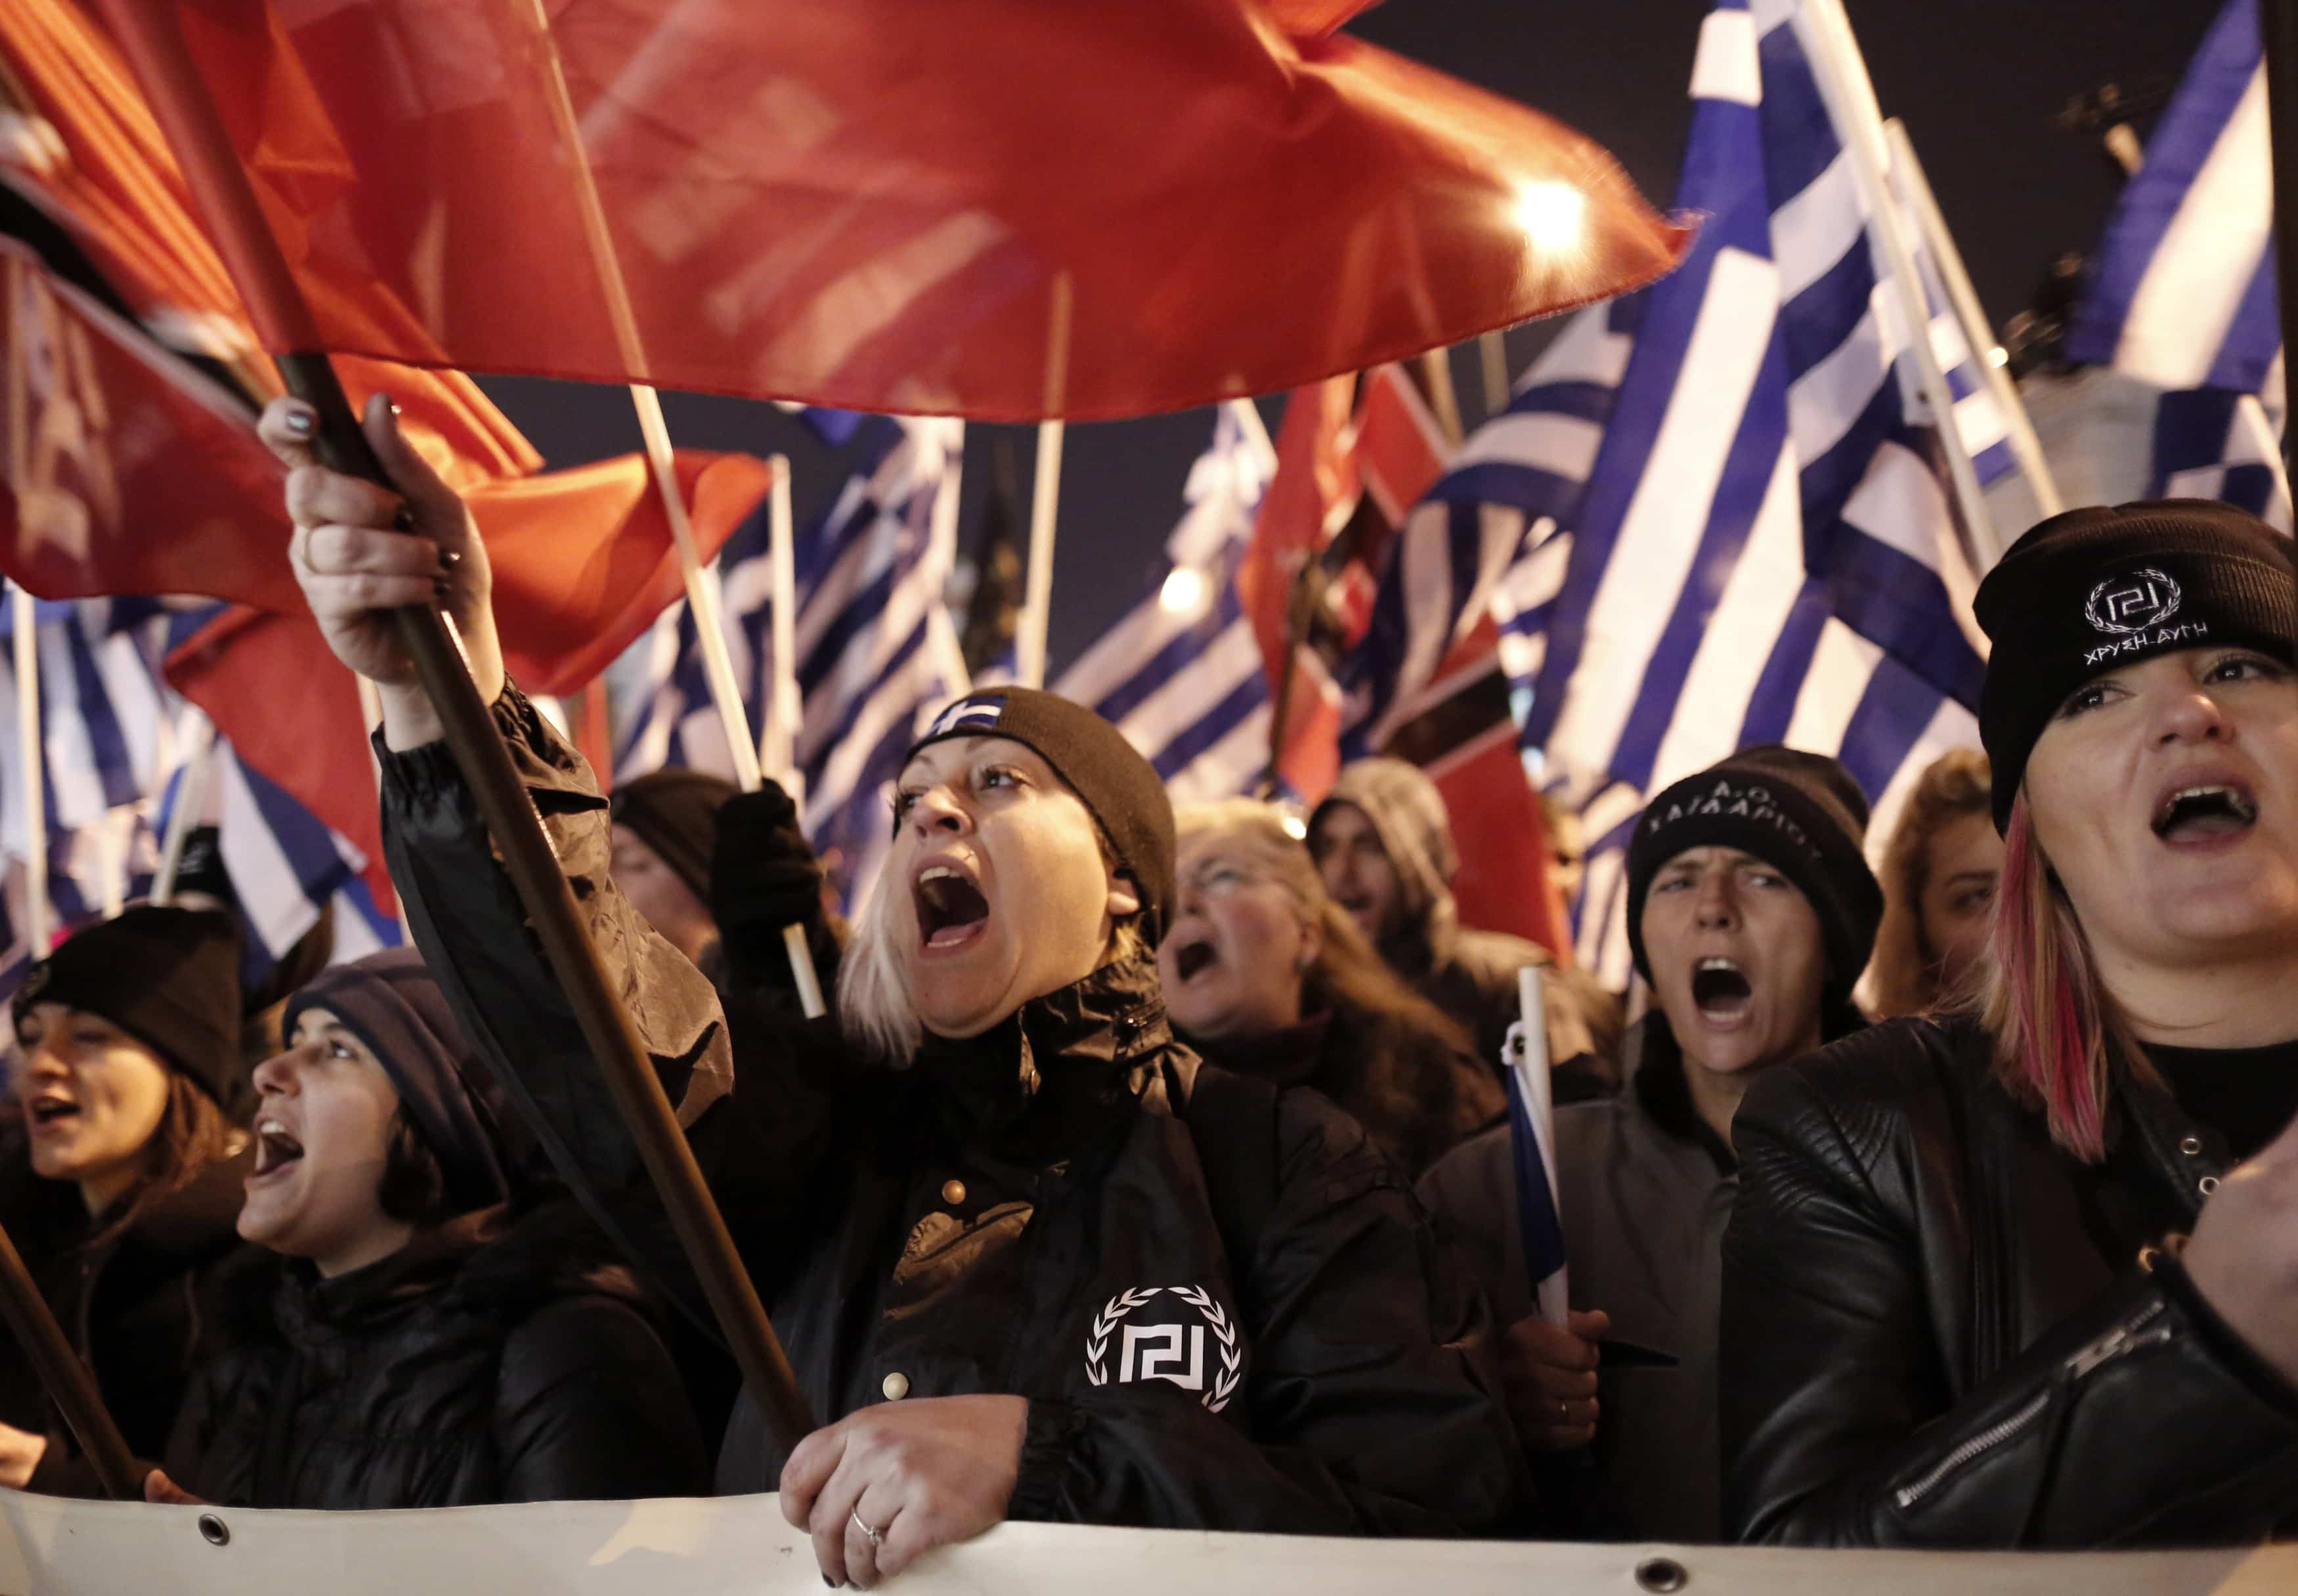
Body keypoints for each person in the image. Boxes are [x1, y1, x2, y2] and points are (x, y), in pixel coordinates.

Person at [265, 394, 1527, 1585]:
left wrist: (1044, 1463)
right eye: (914, 795)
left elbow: (1423, 1519)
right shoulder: (820, 1128)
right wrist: (441, 695)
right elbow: (588, 1016)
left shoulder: (1288, 1167)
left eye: (999, 784)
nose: (932, 808)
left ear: (1127, 887)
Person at [1722, 500, 2298, 1547]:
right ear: (2033, 828)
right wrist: (2202, 1344)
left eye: (2241, 667)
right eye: (2097, 693)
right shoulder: (1864, 1130)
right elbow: (1797, 1567)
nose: (2188, 714)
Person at [1419, 746, 1880, 1543]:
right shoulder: (1491, 1186)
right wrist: (1486, 1399)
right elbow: (1383, 1455)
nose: (1713, 906)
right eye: (1676, 880)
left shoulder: (1938, 1176)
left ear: (1832, 944)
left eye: (1763, 876)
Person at [138, 949, 709, 1509]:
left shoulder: (569, 1353)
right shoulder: (253, 1348)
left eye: (338, 1049)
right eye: (292, 1044)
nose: (267, 1072)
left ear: (438, 1124)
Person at [0, 907, 249, 1487]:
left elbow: (242, 1504)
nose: (41, 1064)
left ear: (184, 1066)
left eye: (90, 1036)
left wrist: (43, 1473)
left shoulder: (255, 1260)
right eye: (30, 1036)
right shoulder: (23, 1237)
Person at [1157, 800, 1502, 1177]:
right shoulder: (1128, 1113)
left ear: (1306, 937)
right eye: (1165, 892)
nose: (1184, 903)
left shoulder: (1431, 1079)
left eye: (1222, 877)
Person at [1308, 758, 1622, 1098]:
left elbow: (1578, 1125)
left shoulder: (1514, 983)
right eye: (1327, 848)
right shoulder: (1314, 996)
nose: (1342, 872)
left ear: (1419, 858)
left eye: (1370, 846)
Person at [1865, 749, 2003, 1018]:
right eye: (1978, 897)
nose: (2015, 923)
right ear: (1918, 930)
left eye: (2043, 888)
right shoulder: (1876, 1059)